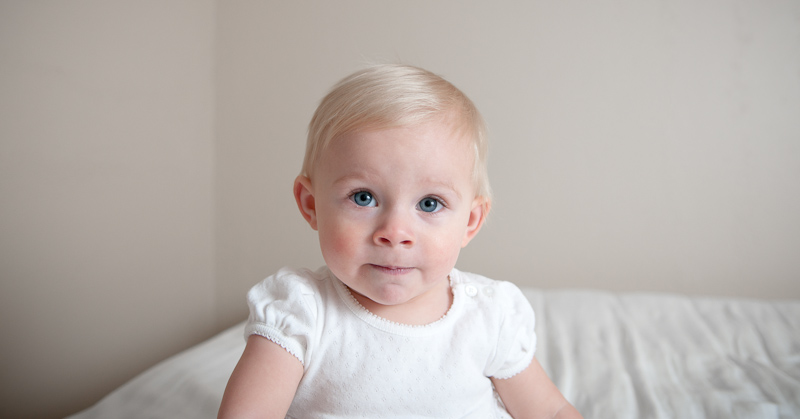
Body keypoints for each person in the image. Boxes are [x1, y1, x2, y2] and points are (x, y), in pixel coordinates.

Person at [218, 64, 582, 418]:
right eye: (363, 197)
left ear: (470, 222)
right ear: (312, 205)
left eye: (429, 203)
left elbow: (549, 411)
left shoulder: (489, 316)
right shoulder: (302, 312)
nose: (394, 232)